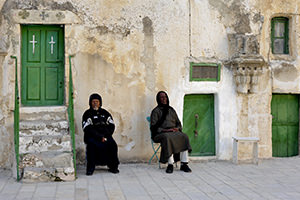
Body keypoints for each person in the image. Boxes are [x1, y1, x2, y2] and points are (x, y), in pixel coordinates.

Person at [150, 91, 192, 173]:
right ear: (158, 99)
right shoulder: (155, 111)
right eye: (161, 97)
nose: (163, 99)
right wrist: (165, 130)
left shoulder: (171, 110)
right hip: (161, 134)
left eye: (165, 97)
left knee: (184, 136)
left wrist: (177, 128)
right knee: (168, 137)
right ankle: (170, 164)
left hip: (173, 132)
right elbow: (154, 127)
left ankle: (184, 164)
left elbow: (179, 123)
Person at [82, 93, 119, 175]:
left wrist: (105, 135)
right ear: (90, 102)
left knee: (112, 145)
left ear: (100, 102)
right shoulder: (87, 114)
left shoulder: (105, 113)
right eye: (93, 101)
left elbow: (112, 125)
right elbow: (87, 128)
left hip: (106, 136)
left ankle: (113, 167)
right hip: (93, 137)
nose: (95, 103)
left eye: (97, 101)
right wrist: (99, 136)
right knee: (92, 146)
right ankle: (90, 168)